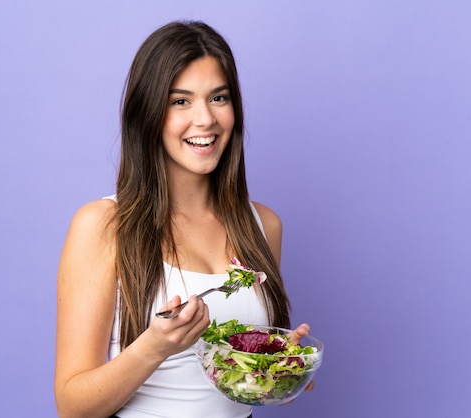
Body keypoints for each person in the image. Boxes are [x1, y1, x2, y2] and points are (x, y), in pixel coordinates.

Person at [54, 21, 313, 418]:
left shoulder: (263, 226)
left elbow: (245, 390)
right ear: (148, 113)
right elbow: (73, 407)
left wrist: (278, 371)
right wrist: (153, 347)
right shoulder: (103, 225)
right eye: (180, 101)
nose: (205, 119)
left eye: (219, 98)